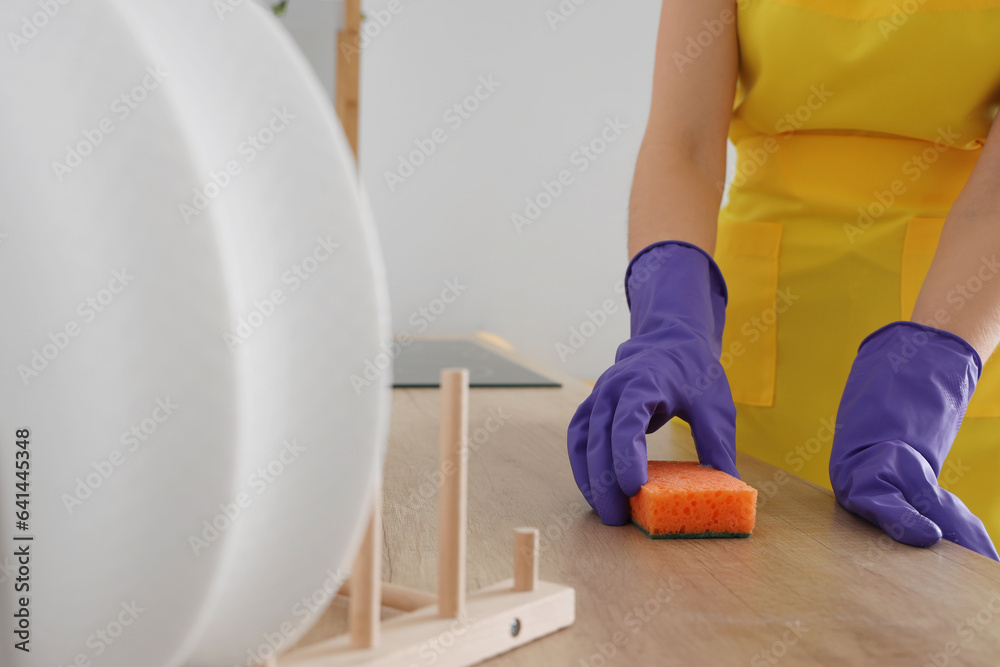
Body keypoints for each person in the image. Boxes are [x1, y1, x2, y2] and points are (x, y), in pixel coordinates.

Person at [567, 0, 1000, 559]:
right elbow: (686, 144)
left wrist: (929, 384)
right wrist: (671, 324)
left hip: (954, 341)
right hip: (756, 352)